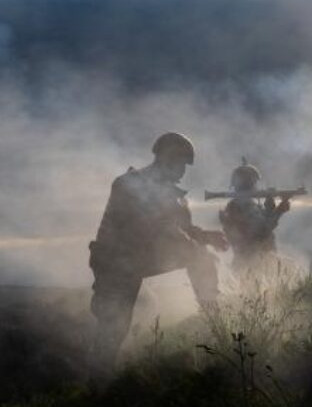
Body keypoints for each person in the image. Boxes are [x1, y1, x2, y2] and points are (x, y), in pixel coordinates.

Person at [88, 132, 228, 373]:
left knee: (200, 257)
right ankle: (97, 383)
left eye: (185, 164)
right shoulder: (129, 184)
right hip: (115, 263)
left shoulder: (173, 195)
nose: (183, 170)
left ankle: (214, 322)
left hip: (139, 259)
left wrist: (206, 237)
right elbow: (157, 225)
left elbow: (182, 229)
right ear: (166, 158)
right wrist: (194, 245)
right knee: (113, 327)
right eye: (180, 163)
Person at [218, 162, 290, 273]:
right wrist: (279, 211)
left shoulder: (238, 205)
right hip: (253, 262)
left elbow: (263, 221)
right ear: (250, 183)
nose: (256, 186)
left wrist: (270, 205)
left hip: (251, 260)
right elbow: (262, 230)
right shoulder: (242, 206)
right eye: (254, 182)